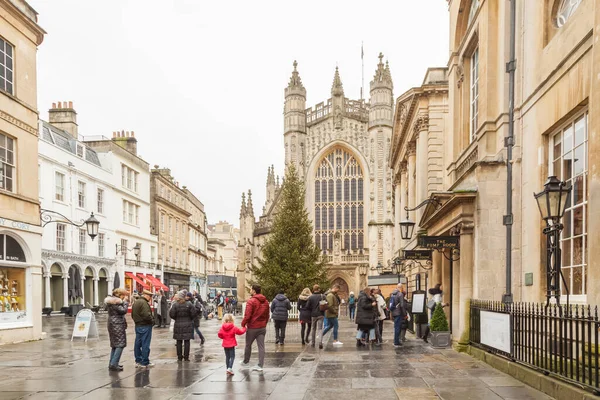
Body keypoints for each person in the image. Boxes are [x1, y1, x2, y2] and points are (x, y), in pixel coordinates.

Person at [240, 284, 270, 372]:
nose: (250, 291)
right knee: (261, 346)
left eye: (251, 289)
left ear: (254, 291)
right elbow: (267, 315)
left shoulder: (251, 301)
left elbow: (247, 315)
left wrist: (243, 323)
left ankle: (246, 362)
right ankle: (260, 365)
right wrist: (264, 323)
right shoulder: (265, 301)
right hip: (262, 327)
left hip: (253, 327)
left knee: (248, 345)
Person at [170, 290, 198, 361]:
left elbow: (172, 314)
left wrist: (177, 318)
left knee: (178, 341)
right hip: (188, 324)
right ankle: (186, 357)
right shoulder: (189, 304)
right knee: (187, 341)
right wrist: (190, 319)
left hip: (178, 325)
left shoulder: (175, 305)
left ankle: (179, 357)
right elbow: (194, 313)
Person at [105, 288, 129, 371]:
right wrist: (125, 302)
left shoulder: (111, 302)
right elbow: (123, 311)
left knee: (115, 345)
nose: (124, 297)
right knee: (120, 345)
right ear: (120, 295)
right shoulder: (117, 302)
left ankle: (112, 363)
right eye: (124, 295)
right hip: (117, 324)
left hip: (112, 323)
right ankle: (114, 364)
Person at [132, 289, 155, 368]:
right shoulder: (144, 303)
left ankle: (138, 360)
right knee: (145, 344)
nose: (150, 298)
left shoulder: (136, 302)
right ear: (145, 295)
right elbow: (146, 315)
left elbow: (133, 314)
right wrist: (152, 321)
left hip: (138, 325)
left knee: (138, 343)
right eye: (150, 296)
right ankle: (145, 361)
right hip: (145, 325)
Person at [306, 284, 326, 349]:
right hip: (321, 314)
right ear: (319, 289)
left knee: (313, 328)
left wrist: (312, 308)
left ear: (313, 289)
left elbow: (307, 306)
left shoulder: (311, 297)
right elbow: (326, 303)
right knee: (320, 329)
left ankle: (313, 343)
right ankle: (320, 342)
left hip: (313, 315)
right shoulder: (322, 296)